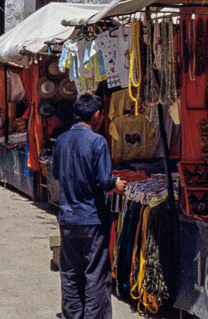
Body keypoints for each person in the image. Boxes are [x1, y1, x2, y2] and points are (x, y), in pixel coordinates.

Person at [52, 94, 126, 319]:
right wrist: (117, 184)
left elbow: (56, 174)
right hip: (91, 218)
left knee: (71, 271)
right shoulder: (97, 141)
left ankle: (73, 315)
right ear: (96, 115)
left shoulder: (62, 140)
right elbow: (104, 181)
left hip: (68, 217)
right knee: (95, 273)